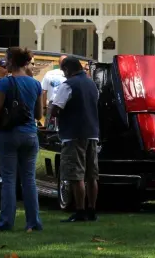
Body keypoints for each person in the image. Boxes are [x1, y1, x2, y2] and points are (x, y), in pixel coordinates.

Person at [0, 47, 43, 232]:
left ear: (11, 61)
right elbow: (38, 114)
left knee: (9, 179)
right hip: (30, 133)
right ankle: (33, 222)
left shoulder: (4, 83)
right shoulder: (35, 84)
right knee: (29, 180)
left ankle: (6, 222)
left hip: (9, 133)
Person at [50, 56, 100, 223]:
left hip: (73, 134)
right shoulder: (92, 84)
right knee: (92, 174)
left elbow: (56, 109)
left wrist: (51, 107)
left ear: (68, 70)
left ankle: (80, 211)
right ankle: (92, 210)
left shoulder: (68, 85)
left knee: (76, 174)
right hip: (92, 133)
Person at [42, 59, 67, 127]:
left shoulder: (49, 73)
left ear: (59, 63)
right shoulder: (70, 74)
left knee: (48, 127)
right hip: (65, 104)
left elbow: (44, 92)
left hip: (52, 104)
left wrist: (44, 107)